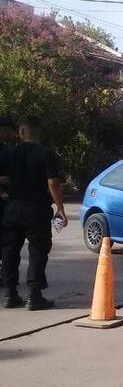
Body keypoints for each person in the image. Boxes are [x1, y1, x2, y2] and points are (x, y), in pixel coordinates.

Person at [1, 115, 67, 310]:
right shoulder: (46, 153)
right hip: (36, 209)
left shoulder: (8, 153)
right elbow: (53, 183)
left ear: (21, 131)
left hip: (12, 208)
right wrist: (60, 208)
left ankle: (11, 295)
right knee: (37, 252)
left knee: (10, 252)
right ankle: (34, 296)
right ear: (38, 131)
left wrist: (4, 194)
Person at [0, 116, 16, 288]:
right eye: (10, 130)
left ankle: (5, 275)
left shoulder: (6, 149)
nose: (12, 135)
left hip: (5, 203)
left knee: (5, 241)